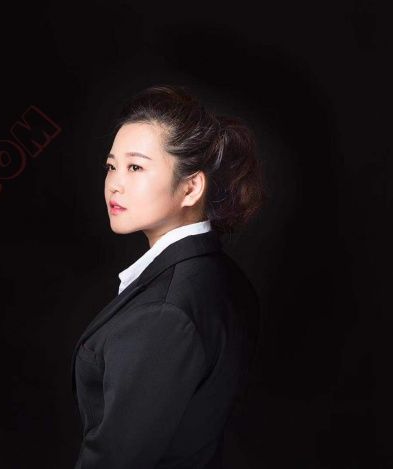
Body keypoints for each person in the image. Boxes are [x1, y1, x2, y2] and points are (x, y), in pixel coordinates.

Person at [71, 84, 266, 468]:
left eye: (135, 167)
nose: (115, 183)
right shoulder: (225, 276)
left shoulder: (164, 314)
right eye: (111, 166)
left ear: (191, 187)